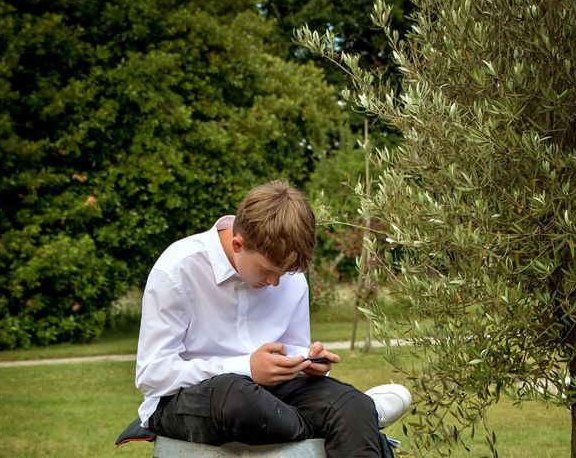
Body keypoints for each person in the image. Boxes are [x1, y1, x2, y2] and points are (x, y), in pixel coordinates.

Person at [134, 180, 411, 457]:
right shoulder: (177, 270)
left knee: (351, 405)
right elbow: (152, 376)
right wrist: (247, 367)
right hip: (190, 400)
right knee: (236, 395)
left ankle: (358, 414)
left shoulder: (291, 278)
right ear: (238, 244)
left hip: (275, 397)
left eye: (284, 272)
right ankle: (348, 423)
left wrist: (304, 361)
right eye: (267, 270)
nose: (276, 283)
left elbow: (291, 348)